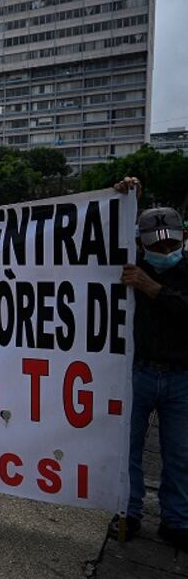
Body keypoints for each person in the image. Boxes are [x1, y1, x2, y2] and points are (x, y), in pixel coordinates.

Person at [109, 177, 188, 551]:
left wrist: (152, 289)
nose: (165, 250)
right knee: (128, 451)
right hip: (137, 372)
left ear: (182, 238)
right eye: (156, 245)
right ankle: (130, 511)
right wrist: (127, 205)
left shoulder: (175, 272)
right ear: (141, 243)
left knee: (180, 453)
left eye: (171, 244)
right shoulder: (131, 264)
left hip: (181, 376)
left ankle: (177, 520)